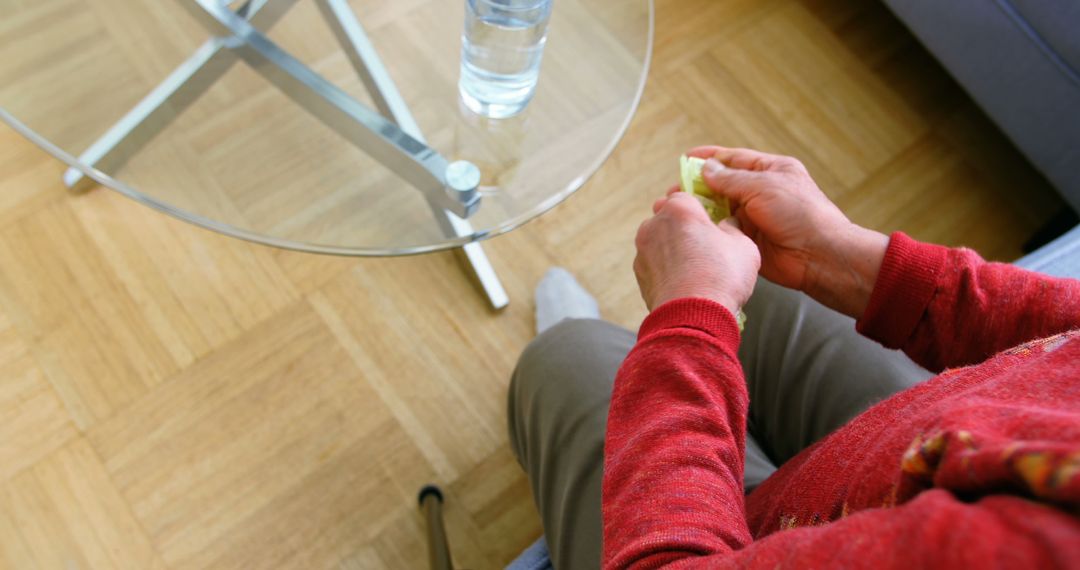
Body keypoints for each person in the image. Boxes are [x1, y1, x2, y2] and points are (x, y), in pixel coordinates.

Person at [508, 146, 1080, 569]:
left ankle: (592, 368)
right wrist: (847, 258)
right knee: (773, 277)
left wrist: (689, 316)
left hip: (756, 543)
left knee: (566, 358)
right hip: (919, 438)